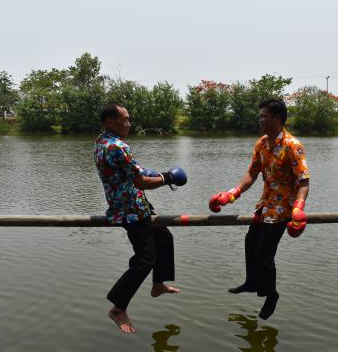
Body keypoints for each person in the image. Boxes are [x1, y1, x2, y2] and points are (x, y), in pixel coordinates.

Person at [209, 98, 310, 320]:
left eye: (264, 116)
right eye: (260, 115)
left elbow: (303, 181)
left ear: (277, 118)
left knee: (265, 255)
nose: (260, 119)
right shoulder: (262, 143)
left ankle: (271, 294)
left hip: (284, 210)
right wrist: (233, 193)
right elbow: (251, 174)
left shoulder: (293, 146)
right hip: (265, 206)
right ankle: (251, 282)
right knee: (250, 243)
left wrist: (299, 207)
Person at [94, 103, 187, 334]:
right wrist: (167, 178)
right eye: (124, 119)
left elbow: (130, 171)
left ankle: (157, 284)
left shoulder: (101, 142)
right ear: (110, 121)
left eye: (128, 119)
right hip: (130, 210)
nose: (128, 123)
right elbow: (141, 182)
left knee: (164, 237)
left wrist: (146, 171)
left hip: (131, 204)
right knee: (145, 258)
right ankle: (118, 307)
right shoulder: (117, 146)